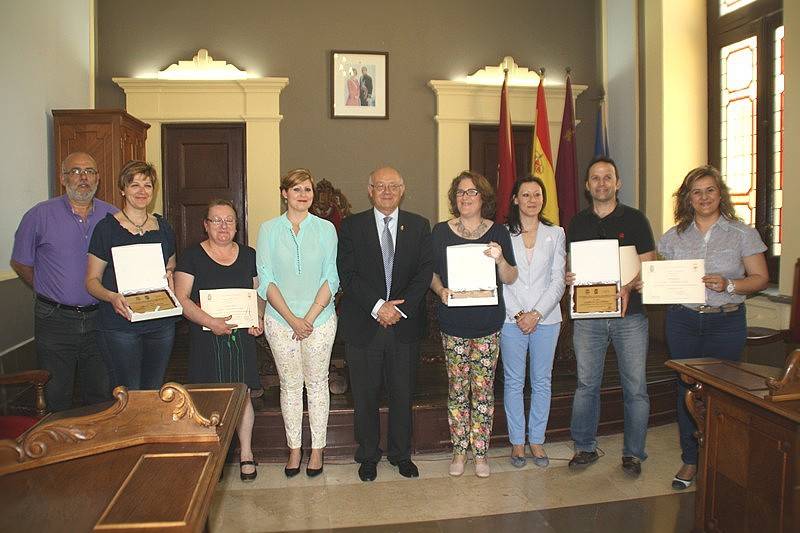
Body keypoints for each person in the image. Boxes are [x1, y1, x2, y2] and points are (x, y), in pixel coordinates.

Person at [658, 165, 768, 489]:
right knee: (687, 389)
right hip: (683, 321)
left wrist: (730, 284)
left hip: (726, 322)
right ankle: (690, 460)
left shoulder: (742, 233)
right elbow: (657, 275)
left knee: (725, 392)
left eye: (710, 190)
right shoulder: (674, 236)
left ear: (720, 194)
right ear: (688, 199)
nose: (704, 197)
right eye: (697, 192)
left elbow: (761, 278)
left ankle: (723, 459)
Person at [337, 166, 432, 482]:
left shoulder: (419, 226)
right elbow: (347, 274)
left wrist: (397, 310)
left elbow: (423, 272)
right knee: (364, 396)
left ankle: (401, 455)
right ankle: (367, 456)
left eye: (393, 186)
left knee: (402, 394)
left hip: (404, 326)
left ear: (403, 190)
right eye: (381, 186)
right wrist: (379, 307)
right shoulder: (351, 227)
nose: (387, 191)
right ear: (370, 190)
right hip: (365, 324)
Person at [566, 156, 655, 477]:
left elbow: (648, 264)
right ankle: (584, 447)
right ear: (587, 186)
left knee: (636, 387)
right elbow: (572, 265)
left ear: (617, 183)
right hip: (588, 318)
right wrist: (569, 278)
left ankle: (633, 453)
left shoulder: (635, 219)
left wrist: (630, 285)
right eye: (595, 178)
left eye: (607, 177)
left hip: (629, 317)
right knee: (586, 384)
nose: (601, 183)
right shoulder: (576, 223)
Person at [10, 152, 117, 412]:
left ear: (98, 178)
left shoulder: (112, 216)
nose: (83, 178)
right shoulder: (39, 215)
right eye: (76, 171)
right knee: (56, 393)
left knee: (101, 392)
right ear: (63, 178)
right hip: (54, 320)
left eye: (89, 171)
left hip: (100, 318)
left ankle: (98, 450)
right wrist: (49, 289)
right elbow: (20, 262)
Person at [430, 170, 518, 478]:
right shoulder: (440, 231)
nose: (465, 197)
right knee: (457, 391)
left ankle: (480, 453)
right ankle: (459, 451)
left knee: (482, 392)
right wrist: (440, 290)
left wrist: (500, 260)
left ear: (484, 198)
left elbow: (511, 277)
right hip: (453, 323)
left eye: (472, 192)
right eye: (460, 193)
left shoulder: (499, 233)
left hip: (487, 324)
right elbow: (430, 272)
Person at [257, 168, 339, 478]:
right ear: (284, 194)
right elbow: (266, 279)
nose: (303, 195)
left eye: (307, 189)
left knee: (317, 385)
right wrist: (292, 319)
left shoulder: (326, 229)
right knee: (290, 386)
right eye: (296, 189)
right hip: (281, 321)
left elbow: (331, 276)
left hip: (320, 319)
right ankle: (294, 448)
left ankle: (317, 449)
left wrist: (309, 318)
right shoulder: (268, 229)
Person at [174, 199, 263, 481]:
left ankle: (246, 453)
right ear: (206, 225)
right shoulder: (191, 256)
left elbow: (259, 293)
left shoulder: (250, 255)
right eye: (217, 220)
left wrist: (258, 317)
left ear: (237, 226)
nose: (223, 226)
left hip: (242, 338)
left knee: (243, 394)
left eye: (229, 221)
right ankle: (217, 452)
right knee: (211, 396)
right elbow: (181, 298)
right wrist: (211, 322)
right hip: (207, 336)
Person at [86, 160, 178, 390]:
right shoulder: (106, 229)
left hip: (160, 322)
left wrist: (169, 277)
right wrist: (111, 297)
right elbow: (91, 281)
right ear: (123, 190)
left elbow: (171, 266)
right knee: (128, 390)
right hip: (120, 323)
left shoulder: (164, 227)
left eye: (147, 185)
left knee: (154, 388)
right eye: (134, 184)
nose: (141, 191)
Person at [501, 176, 565, 468]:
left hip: (547, 319)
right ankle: (517, 442)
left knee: (542, 381)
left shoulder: (556, 233)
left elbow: (558, 280)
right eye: (525, 194)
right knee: (514, 382)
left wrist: (536, 313)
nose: (531, 199)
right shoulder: (501, 233)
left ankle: (536, 440)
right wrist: (519, 315)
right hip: (511, 319)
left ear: (543, 199)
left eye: (536, 194)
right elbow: (501, 281)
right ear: (515, 199)